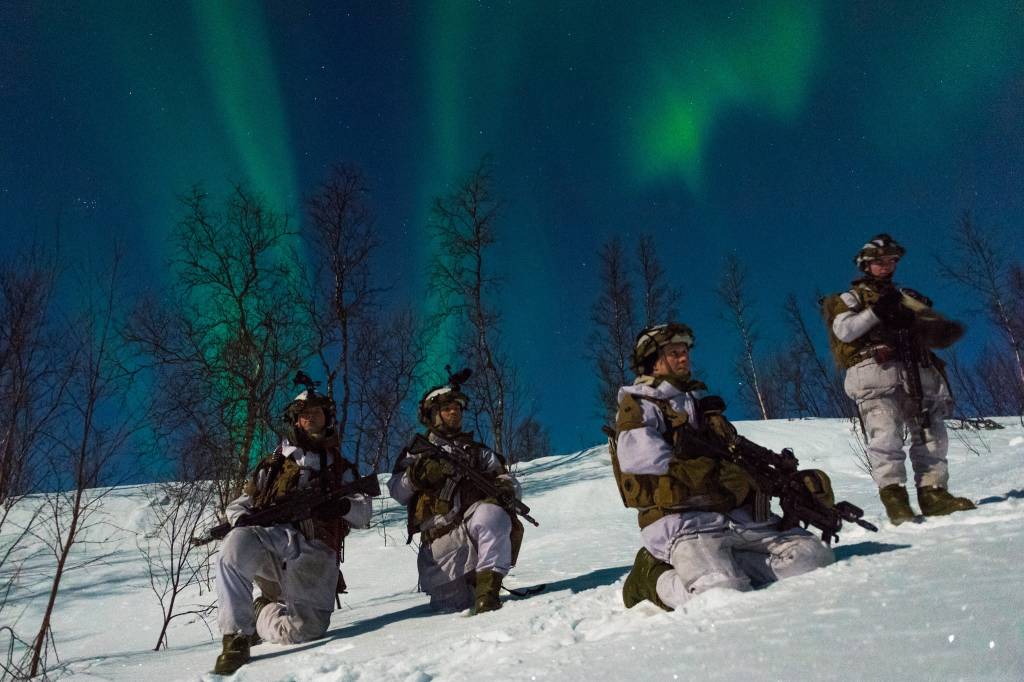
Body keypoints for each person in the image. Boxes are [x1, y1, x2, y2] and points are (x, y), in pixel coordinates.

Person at [611, 323, 835, 611]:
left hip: (737, 518)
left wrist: (776, 480)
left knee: (813, 558)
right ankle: (650, 576)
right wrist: (719, 475)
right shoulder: (640, 404)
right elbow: (642, 461)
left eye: (685, 352)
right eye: (674, 353)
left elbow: (736, 454)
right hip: (684, 524)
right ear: (653, 362)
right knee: (718, 594)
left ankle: (729, 564)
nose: (684, 358)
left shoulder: (702, 405)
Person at [213, 386, 373, 675]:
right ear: (296, 421)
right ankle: (236, 637)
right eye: (303, 415)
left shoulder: (341, 468)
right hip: (272, 542)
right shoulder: (274, 464)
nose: (310, 418)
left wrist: (340, 508)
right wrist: (243, 521)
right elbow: (239, 505)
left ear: (327, 418)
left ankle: (262, 610)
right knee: (234, 546)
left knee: (305, 630)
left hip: (315, 551)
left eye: (316, 413)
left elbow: (363, 514)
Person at [822, 234, 974, 524]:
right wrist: (879, 311)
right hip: (875, 373)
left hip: (915, 371)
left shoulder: (905, 297)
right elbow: (845, 331)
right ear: (866, 265)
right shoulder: (850, 298)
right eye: (880, 261)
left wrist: (934, 324)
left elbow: (936, 331)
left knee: (932, 433)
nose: (887, 266)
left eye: (892, 261)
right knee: (886, 435)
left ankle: (933, 493)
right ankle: (895, 500)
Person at [388, 376, 523, 614]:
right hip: (441, 549)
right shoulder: (416, 452)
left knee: (492, 513)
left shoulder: (479, 453)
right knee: (451, 615)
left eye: (457, 408)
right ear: (432, 414)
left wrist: (505, 488)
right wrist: (418, 475)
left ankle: (488, 594)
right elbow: (397, 491)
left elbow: (507, 481)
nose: (454, 413)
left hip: (474, 533)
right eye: (447, 408)